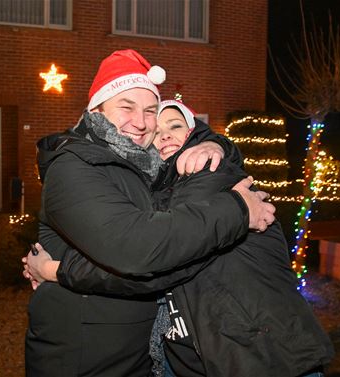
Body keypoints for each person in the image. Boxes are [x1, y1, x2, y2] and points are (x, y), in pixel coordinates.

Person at [32, 100, 334, 376]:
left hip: (261, 357)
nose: (163, 135)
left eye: (174, 126)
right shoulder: (157, 193)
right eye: (156, 131)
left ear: (193, 132)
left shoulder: (210, 176)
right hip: (199, 360)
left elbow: (151, 260)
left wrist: (55, 270)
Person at [23, 49, 275, 377]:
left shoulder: (144, 167)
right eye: (125, 107)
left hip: (139, 356)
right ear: (96, 110)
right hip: (84, 359)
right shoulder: (74, 166)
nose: (141, 122)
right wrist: (238, 210)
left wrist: (215, 145)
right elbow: (140, 251)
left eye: (150, 110)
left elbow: (168, 243)